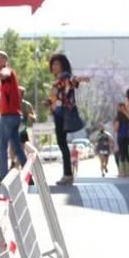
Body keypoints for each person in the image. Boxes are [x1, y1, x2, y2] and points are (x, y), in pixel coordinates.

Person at [0, 51, 28, 187]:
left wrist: (1, 73)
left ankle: (3, 177)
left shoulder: (6, 71)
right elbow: (6, 99)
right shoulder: (7, 78)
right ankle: (30, 177)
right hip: (14, 115)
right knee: (17, 148)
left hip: (8, 117)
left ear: (5, 60)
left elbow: (5, 72)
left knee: (1, 147)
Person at [49, 54, 88, 186]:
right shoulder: (59, 78)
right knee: (62, 143)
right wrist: (50, 102)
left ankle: (67, 174)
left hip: (63, 113)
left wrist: (80, 79)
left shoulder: (64, 76)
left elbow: (71, 81)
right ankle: (68, 174)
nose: (54, 67)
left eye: (57, 64)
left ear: (63, 66)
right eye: (53, 64)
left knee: (62, 143)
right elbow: (57, 94)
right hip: (60, 112)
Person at [114, 103, 129, 177]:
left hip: (120, 137)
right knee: (127, 153)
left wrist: (115, 126)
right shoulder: (127, 117)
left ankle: (122, 172)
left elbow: (116, 129)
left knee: (122, 154)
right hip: (127, 137)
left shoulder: (118, 118)